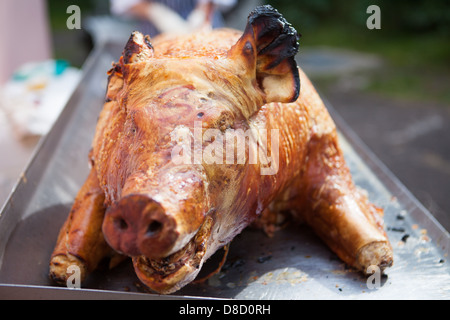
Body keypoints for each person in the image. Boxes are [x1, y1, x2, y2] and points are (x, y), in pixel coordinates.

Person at [109, 0, 237, 37]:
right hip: (155, 34)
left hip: (204, 29)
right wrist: (157, 13)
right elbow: (123, 3)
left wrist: (202, 12)